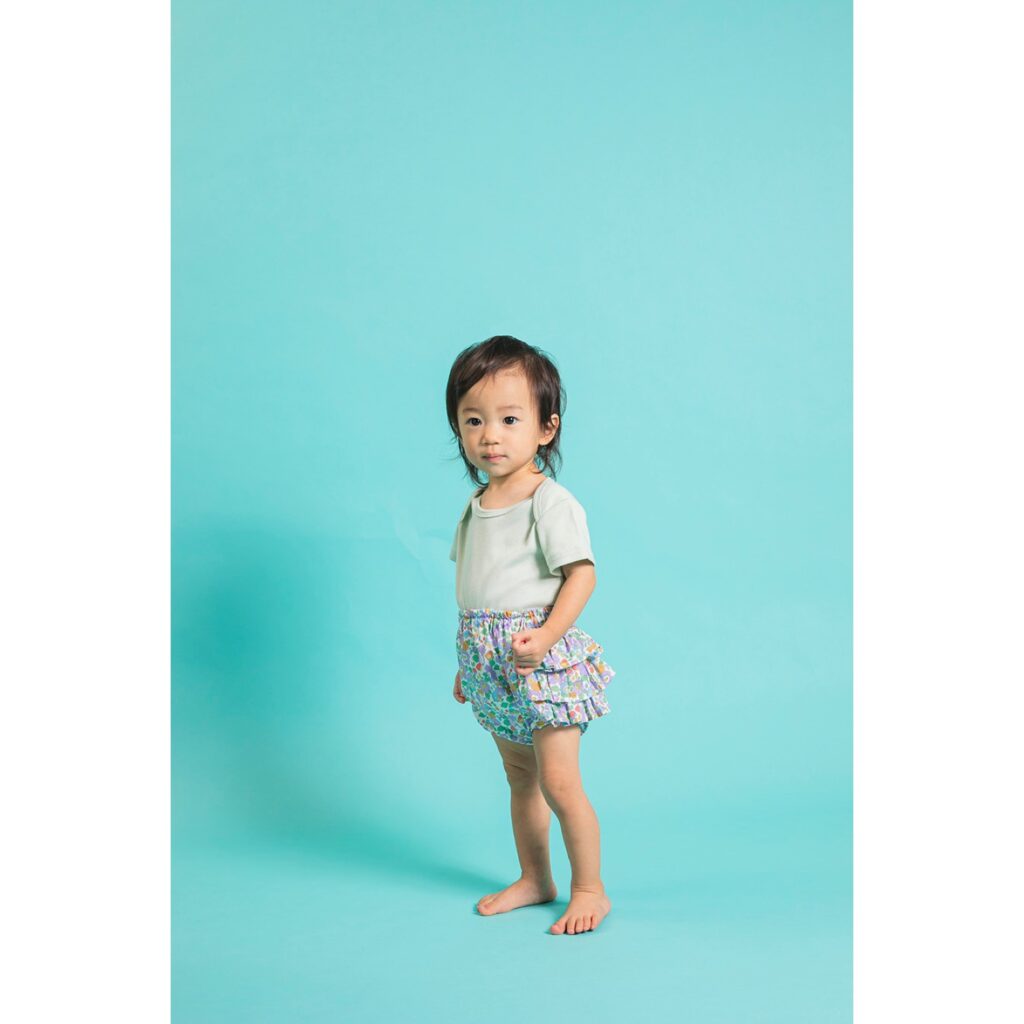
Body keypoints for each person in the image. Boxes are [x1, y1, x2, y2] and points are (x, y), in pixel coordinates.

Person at [446, 335, 615, 936]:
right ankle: (535, 877)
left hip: (540, 661)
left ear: (546, 428)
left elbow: (582, 575)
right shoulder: (476, 504)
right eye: (474, 420)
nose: (490, 435)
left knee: (560, 782)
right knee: (520, 778)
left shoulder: (550, 501)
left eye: (509, 419)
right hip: (491, 664)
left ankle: (589, 888)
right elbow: (481, 590)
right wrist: (471, 665)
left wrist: (545, 638)